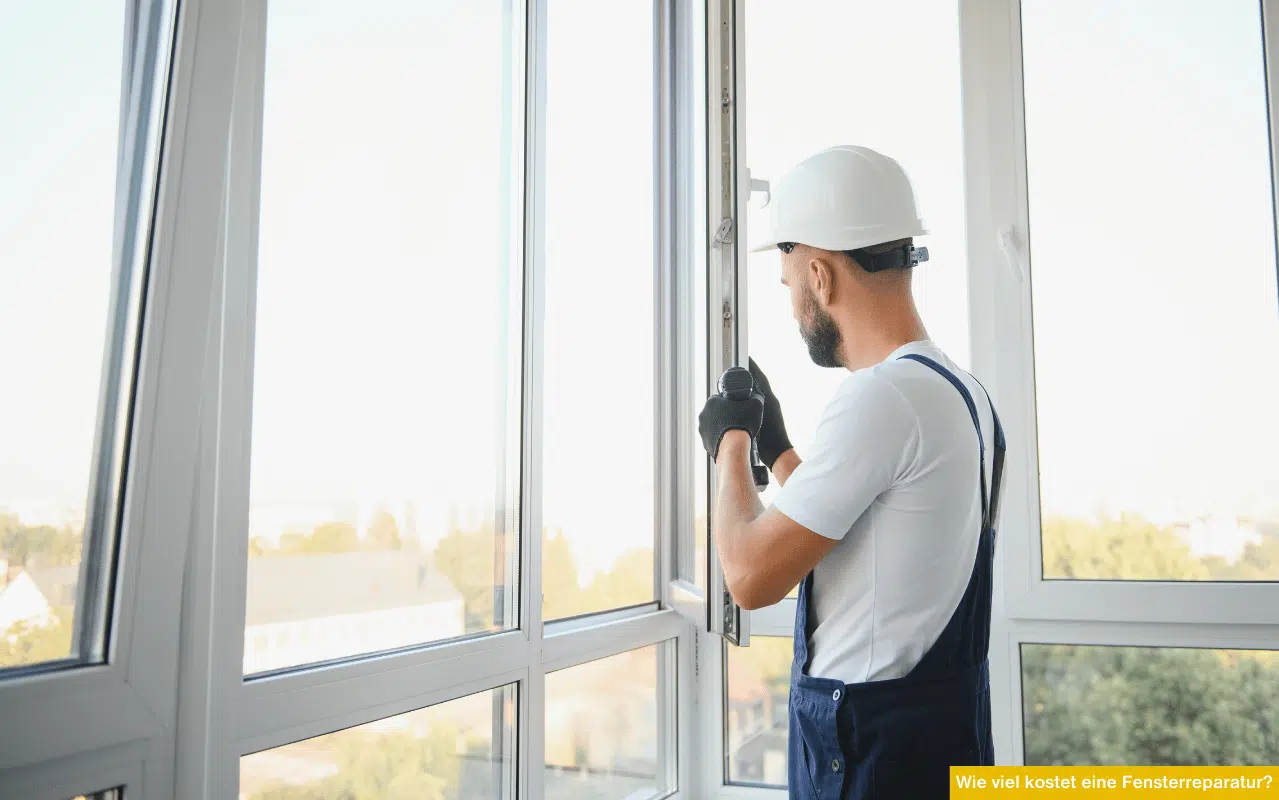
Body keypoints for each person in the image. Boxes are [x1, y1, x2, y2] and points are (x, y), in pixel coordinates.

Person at [698, 145, 1005, 799]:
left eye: (790, 285)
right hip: (936, 742)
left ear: (820, 275)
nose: (792, 307)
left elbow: (749, 577)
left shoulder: (881, 397)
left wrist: (729, 439)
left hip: (872, 758)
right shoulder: (959, 392)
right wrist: (778, 448)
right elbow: (865, 540)